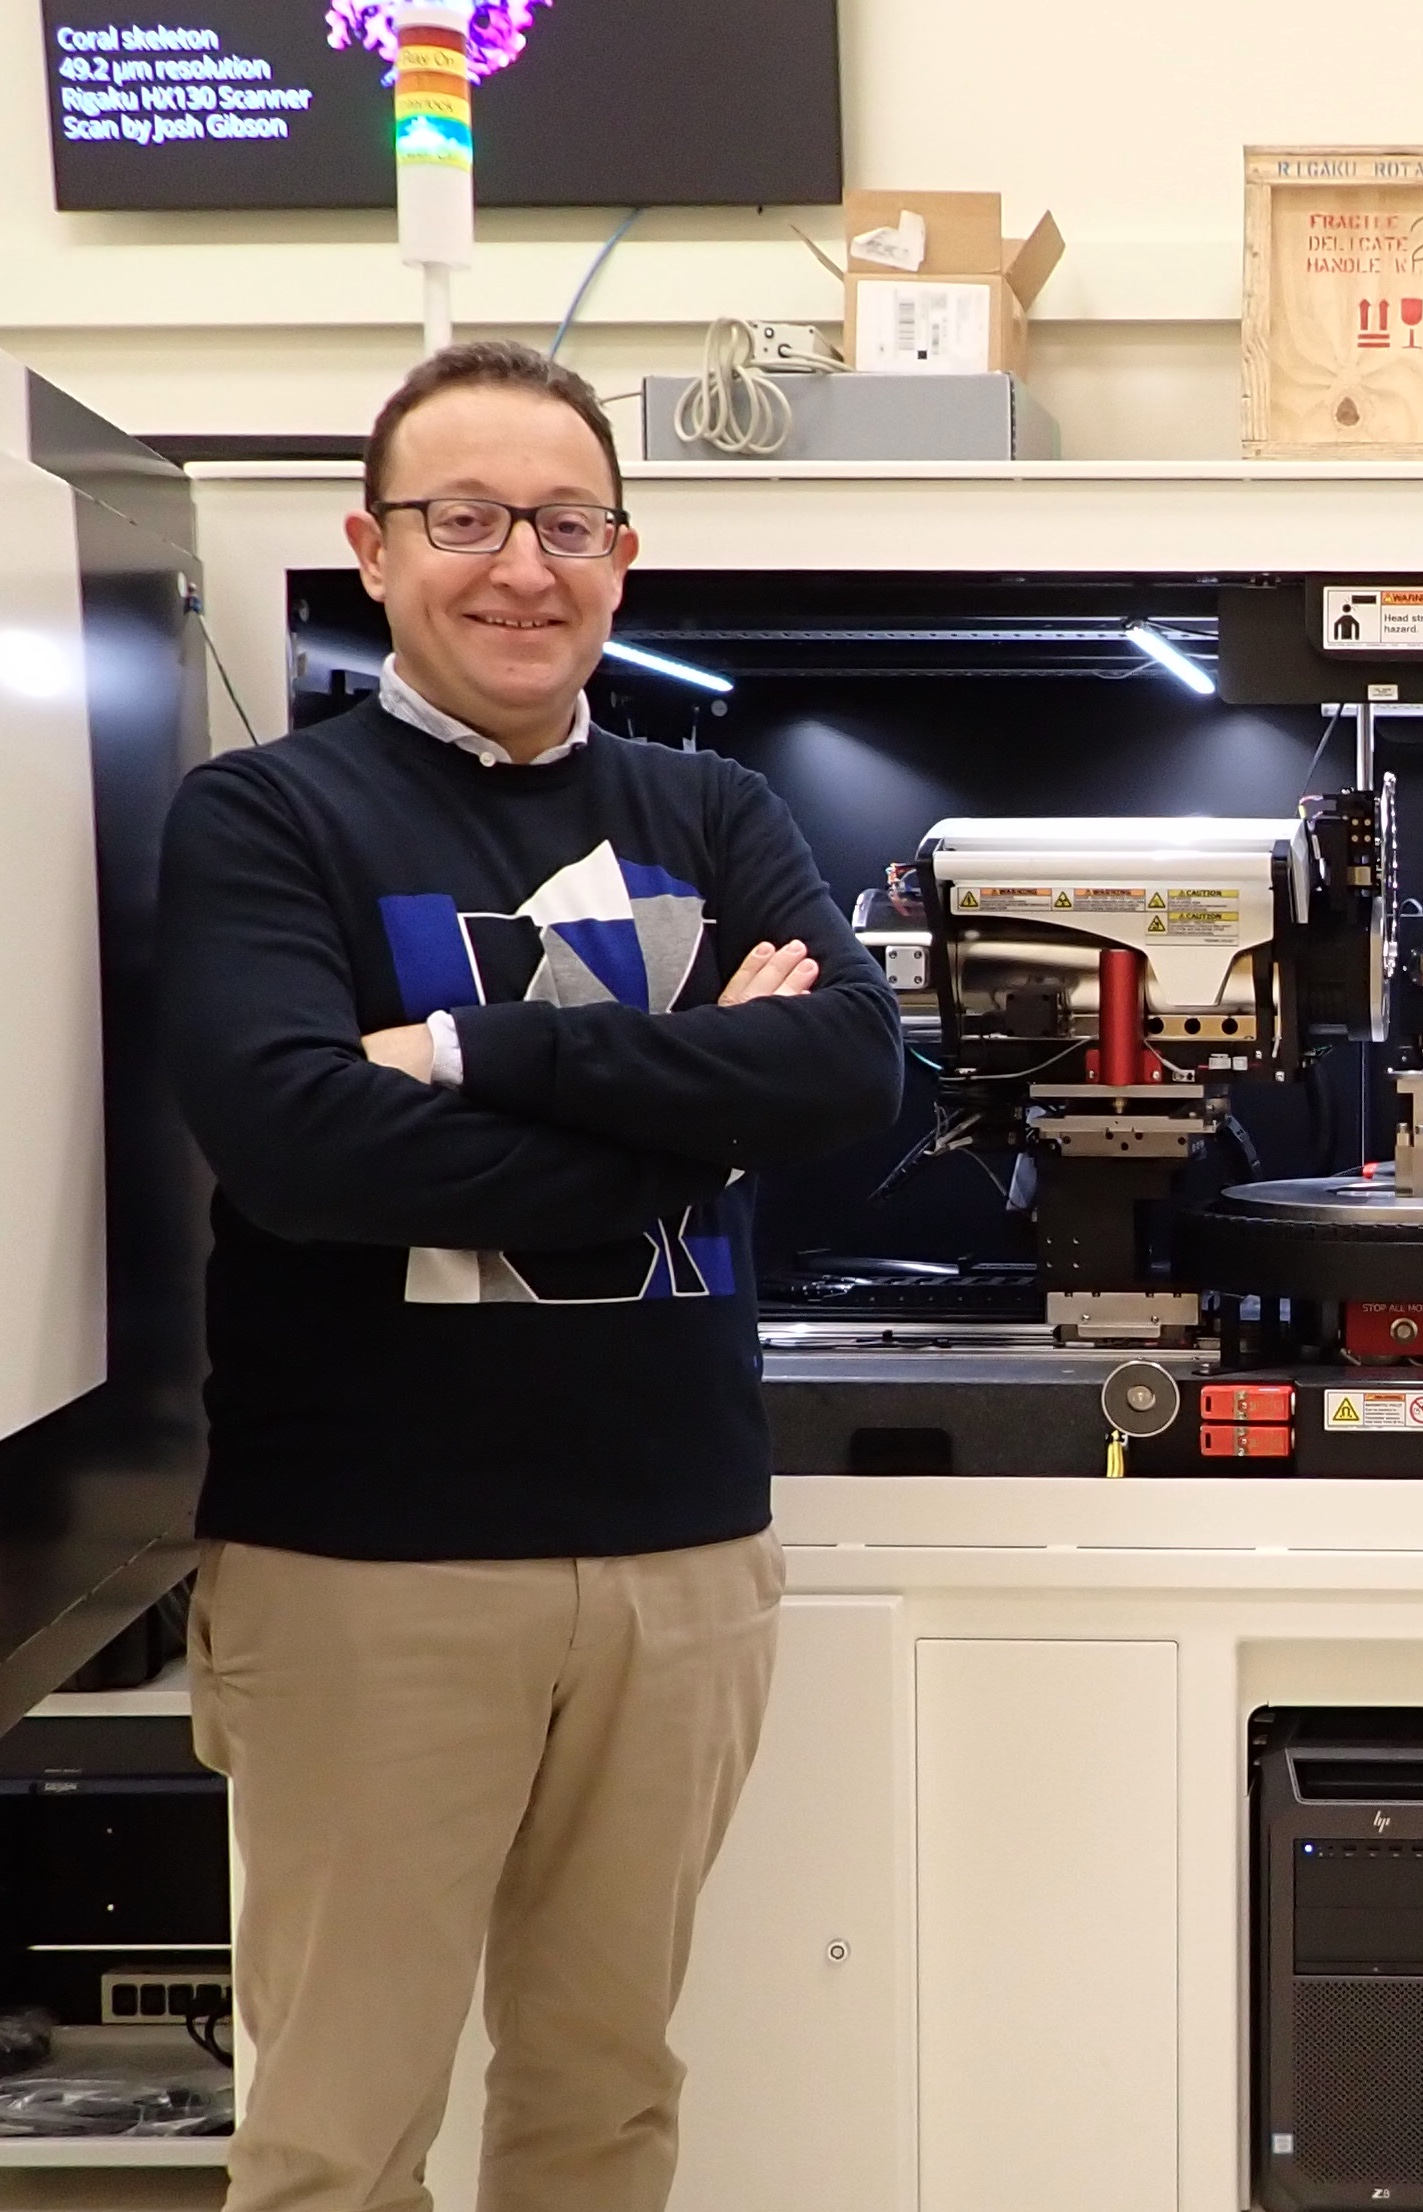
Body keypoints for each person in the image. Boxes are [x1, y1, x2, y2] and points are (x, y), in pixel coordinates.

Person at [158, 341, 902, 2212]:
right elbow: (303, 1148)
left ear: (622, 553)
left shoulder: (710, 812)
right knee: (339, 2129)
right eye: (466, 520)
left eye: (565, 524)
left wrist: (471, 1057)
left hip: (679, 1564)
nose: (520, 567)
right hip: (366, 1577)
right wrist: (691, 1106)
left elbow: (844, 1074)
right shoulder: (266, 819)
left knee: (605, 2101)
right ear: (374, 545)